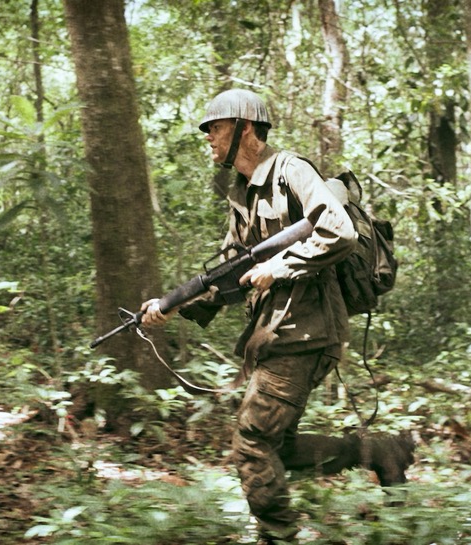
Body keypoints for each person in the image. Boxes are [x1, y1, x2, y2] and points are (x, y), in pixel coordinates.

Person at [140, 89, 415, 544]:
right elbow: (232, 273)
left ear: (245, 129)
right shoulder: (243, 194)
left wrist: (281, 265)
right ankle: (377, 452)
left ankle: (278, 535)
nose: (208, 137)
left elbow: (338, 230)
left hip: (306, 332)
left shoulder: (291, 171)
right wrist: (170, 305)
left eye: (216, 128)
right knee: (275, 446)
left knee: (251, 444)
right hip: (278, 334)